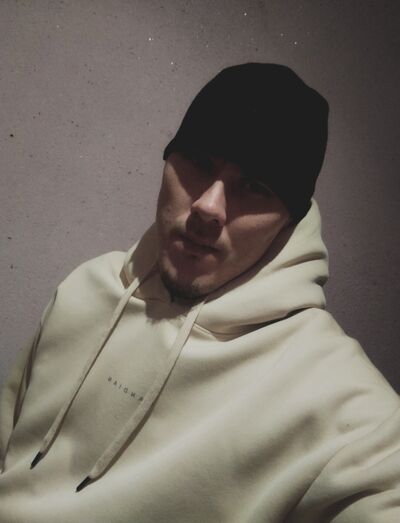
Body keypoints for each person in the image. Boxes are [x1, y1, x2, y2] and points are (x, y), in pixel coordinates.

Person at [0, 63, 399, 523]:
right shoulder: (87, 287)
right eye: (198, 162)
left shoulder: (339, 401)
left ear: (289, 221)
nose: (208, 207)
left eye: (254, 187)